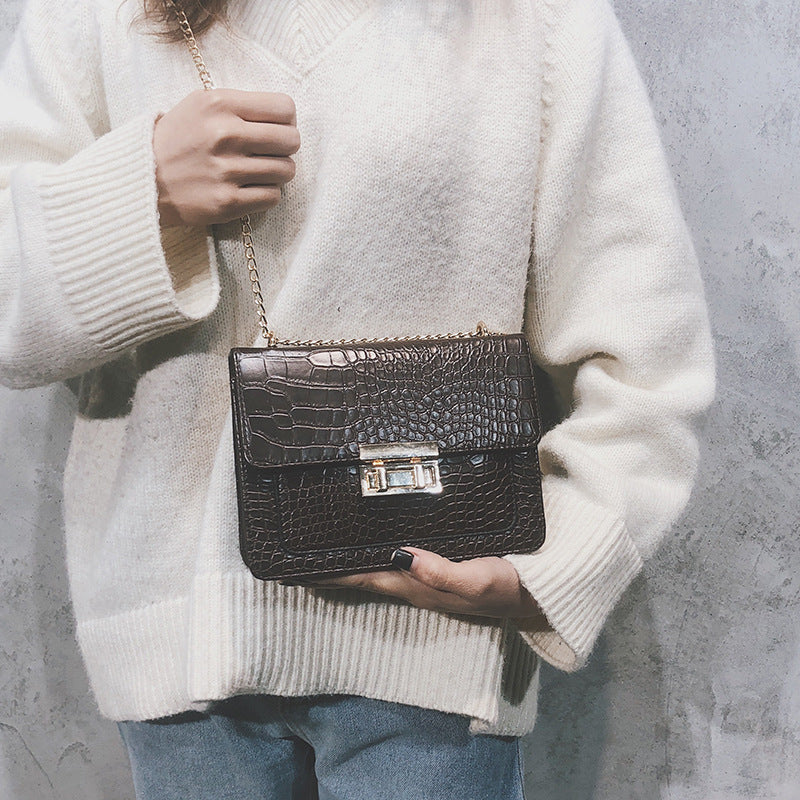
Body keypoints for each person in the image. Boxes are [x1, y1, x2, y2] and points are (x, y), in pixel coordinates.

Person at [0, 0, 716, 797]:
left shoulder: (535, 21)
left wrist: (555, 563)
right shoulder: (94, 16)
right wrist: (146, 190)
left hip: (437, 645)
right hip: (176, 650)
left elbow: (647, 348)